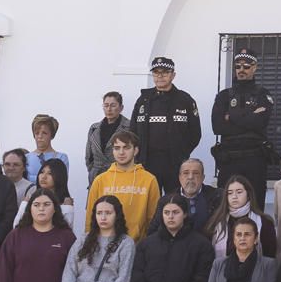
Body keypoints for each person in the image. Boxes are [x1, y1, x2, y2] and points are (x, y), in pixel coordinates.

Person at [86, 128, 163, 282]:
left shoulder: (149, 179)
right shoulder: (101, 180)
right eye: (117, 148)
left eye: (125, 147)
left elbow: (155, 218)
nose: (121, 152)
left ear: (135, 150)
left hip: (138, 251)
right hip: (106, 254)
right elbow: (91, 218)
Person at [134, 56, 203, 195]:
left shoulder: (185, 100)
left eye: (165, 72)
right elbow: (133, 131)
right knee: (150, 206)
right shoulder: (143, 100)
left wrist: (181, 154)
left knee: (176, 203)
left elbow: (195, 133)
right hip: (147, 164)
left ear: (173, 75)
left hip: (175, 164)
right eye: (156, 72)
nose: (160, 76)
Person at [211, 51, 276, 195]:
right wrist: (250, 116)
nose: (241, 70)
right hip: (229, 159)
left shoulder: (263, 94)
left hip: (255, 159)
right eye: (238, 66)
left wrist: (231, 117)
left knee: (256, 203)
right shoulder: (224, 95)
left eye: (246, 66)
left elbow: (260, 122)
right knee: (226, 204)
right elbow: (218, 126)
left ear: (254, 68)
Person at [151, 157, 219, 235]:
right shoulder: (166, 200)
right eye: (186, 173)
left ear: (203, 178)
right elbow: (153, 231)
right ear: (179, 177)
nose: (190, 177)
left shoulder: (217, 197)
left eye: (196, 173)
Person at [18, 157, 77, 235]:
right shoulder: (30, 199)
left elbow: (66, 233)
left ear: (60, 176)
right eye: (42, 172)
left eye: (50, 173)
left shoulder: (65, 204)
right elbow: (17, 225)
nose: (44, 176)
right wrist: (24, 205)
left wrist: (68, 209)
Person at [83, 91, 131, 183]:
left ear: (121, 108)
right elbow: (89, 156)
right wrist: (93, 170)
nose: (109, 109)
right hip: (97, 176)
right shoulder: (94, 128)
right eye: (106, 105)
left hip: (120, 175)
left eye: (113, 105)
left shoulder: (129, 127)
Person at [28, 114, 68, 181]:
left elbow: (61, 180)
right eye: (37, 133)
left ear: (52, 135)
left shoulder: (61, 157)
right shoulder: (26, 158)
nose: (40, 136)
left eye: (44, 133)